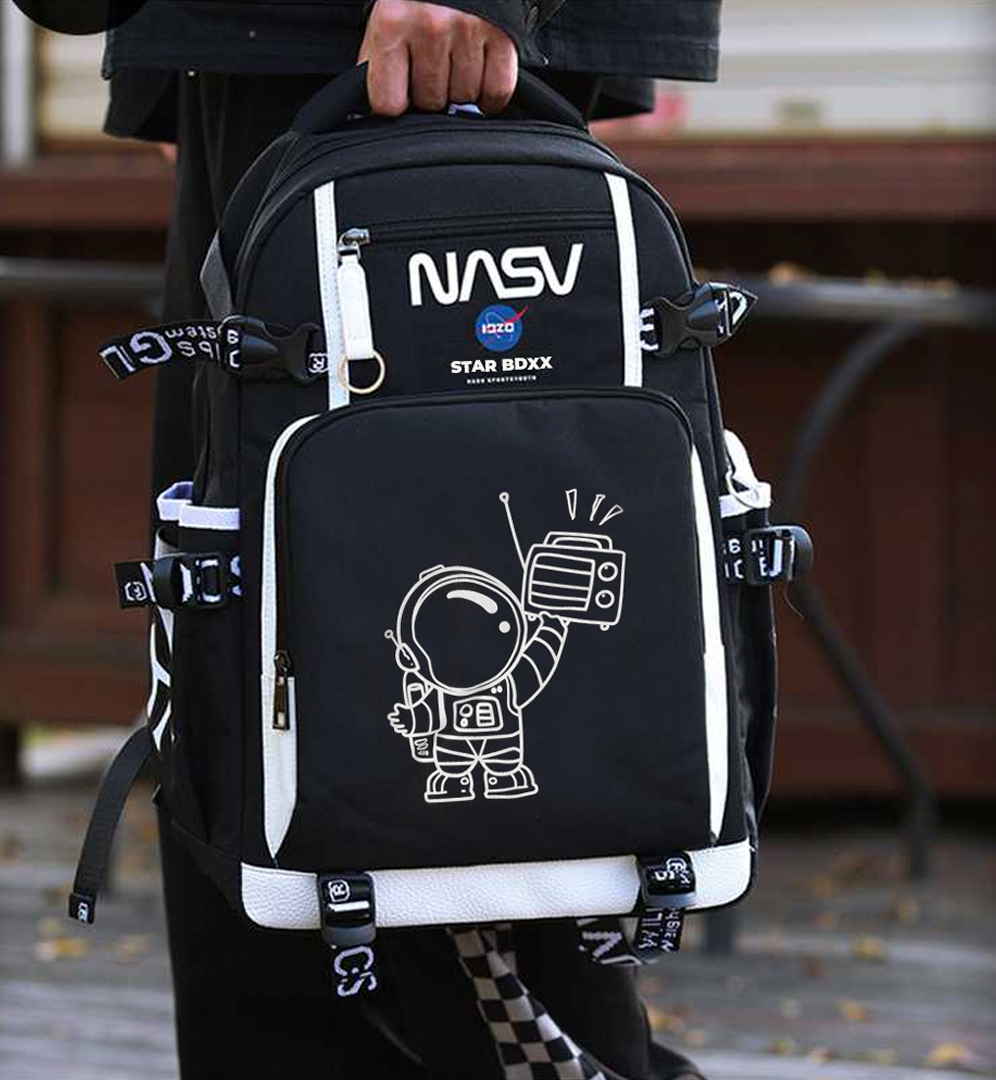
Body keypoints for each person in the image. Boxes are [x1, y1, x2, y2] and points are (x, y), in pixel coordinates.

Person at [100, 3, 723, 1076]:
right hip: (262, 43)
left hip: (394, 34)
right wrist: (171, 67)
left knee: (413, 840)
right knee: (249, 678)